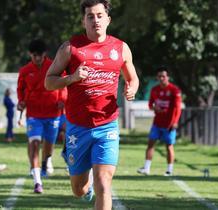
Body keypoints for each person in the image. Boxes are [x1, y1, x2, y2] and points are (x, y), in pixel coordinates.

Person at [45, 0, 139, 209]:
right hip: (78, 128)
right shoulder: (70, 48)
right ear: (83, 21)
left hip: (107, 126)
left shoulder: (121, 48)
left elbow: (133, 78)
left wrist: (131, 88)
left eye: (99, 15)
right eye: (90, 16)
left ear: (108, 19)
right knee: (79, 189)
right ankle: (79, 176)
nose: (95, 20)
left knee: (103, 184)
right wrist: (71, 78)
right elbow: (49, 81)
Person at [17, 39, 66, 193]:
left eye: (40, 55)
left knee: (49, 146)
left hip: (53, 113)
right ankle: (37, 182)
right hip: (33, 114)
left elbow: (63, 84)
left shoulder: (54, 66)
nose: (37, 58)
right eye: (34, 55)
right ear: (30, 54)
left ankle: (45, 161)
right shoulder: (25, 70)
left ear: (45, 54)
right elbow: (20, 89)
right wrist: (21, 102)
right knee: (34, 143)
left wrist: (62, 100)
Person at [137, 66, 182, 176]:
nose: (161, 78)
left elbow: (178, 108)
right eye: (159, 76)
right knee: (150, 144)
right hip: (157, 123)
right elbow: (150, 105)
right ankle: (146, 168)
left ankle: (169, 170)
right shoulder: (155, 90)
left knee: (169, 146)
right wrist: (154, 108)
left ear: (168, 77)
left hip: (169, 124)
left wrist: (175, 122)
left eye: (164, 76)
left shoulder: (174, 90)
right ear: (157, 77)